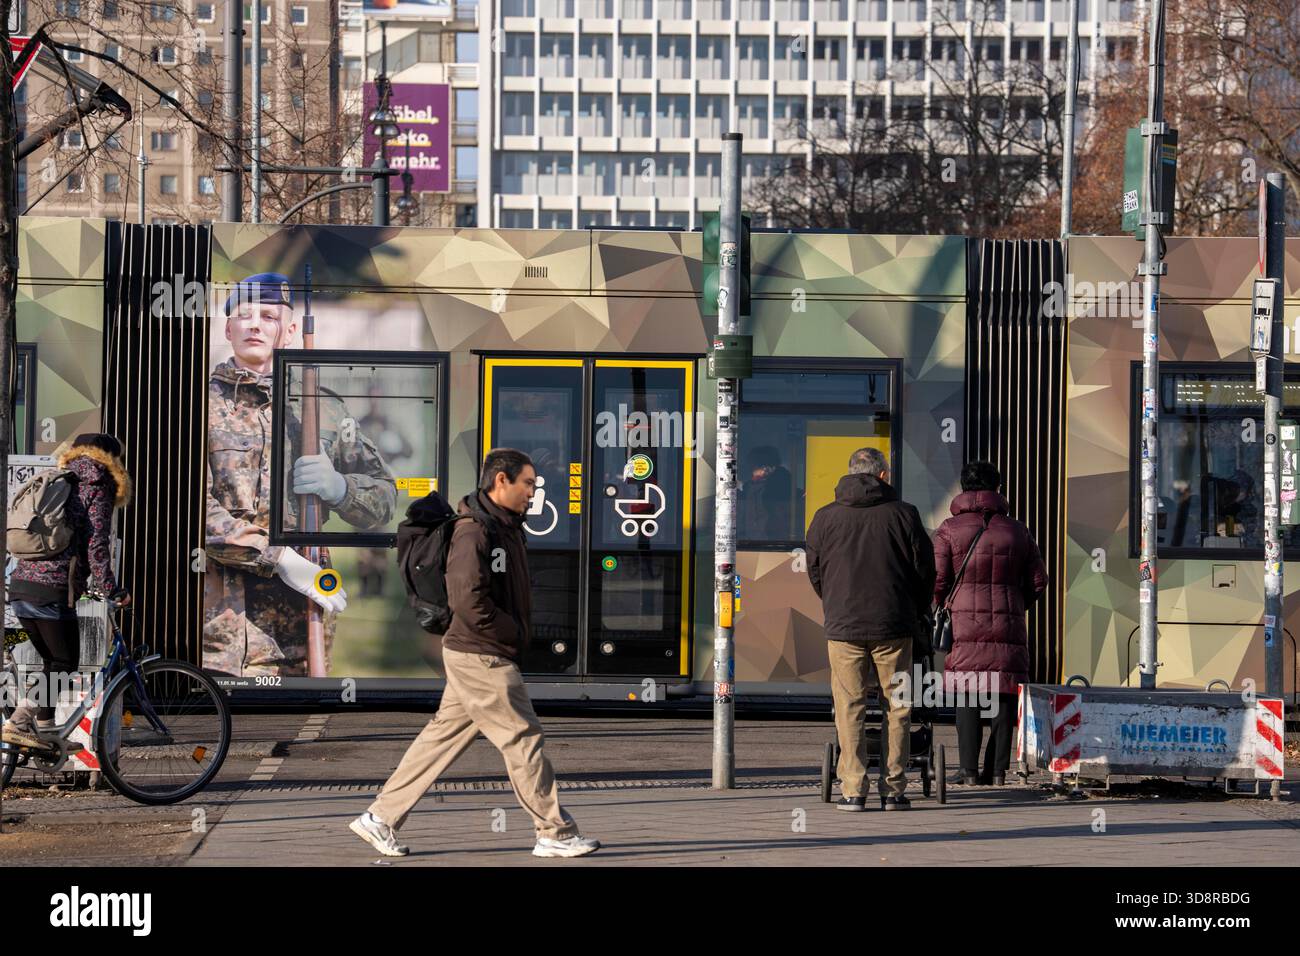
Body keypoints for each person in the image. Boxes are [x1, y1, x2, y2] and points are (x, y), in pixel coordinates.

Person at [350, 448, 600, 858]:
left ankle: (379, 818)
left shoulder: (504, 526)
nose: (532, 493)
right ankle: (554, 832)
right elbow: (468, 601)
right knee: (523, 738)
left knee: (441, 738)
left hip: (474, 651)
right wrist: (512, 631)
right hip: (482, 654)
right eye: (528, 484)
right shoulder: (475, 531)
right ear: (501, 481)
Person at [203, 273, 397, 678]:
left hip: (300, 627)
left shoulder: (324, 411)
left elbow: (383, 499)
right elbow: (184, 504)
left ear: (290, 331)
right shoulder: (198, 404)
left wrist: (341, 488)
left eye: (269, 316)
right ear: (228, 327)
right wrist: (279, 558)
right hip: (216, 632)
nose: (255, 324)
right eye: (244, 315)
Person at [805, 446, 935, 811]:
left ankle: (853, 789)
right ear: (882, 476)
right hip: (894, 625)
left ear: (851, 473)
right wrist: (916, 608)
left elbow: (815, 570)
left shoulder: (825, 517)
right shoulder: (904, 514)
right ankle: (893, 789)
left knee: (849, 706)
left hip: (843, 627)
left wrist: (833, 602)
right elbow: (925, 570)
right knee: (898, 706)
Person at [2, 434, 132, 751]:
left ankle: (46, 733)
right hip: (52, 589)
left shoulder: (60, 478)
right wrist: (113, 590)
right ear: (111, 459)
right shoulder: (96, 485)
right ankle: (19, 722)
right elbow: (96, 546)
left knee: (53, 663)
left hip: (21, 586)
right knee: (64, 663)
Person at [933, 460, 1047, 786]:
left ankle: (968, 772)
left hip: (965, 628)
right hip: (1009, 628)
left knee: (969, 695)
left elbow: (938, 581)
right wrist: (1014, 605)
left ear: (964, 489)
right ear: (997, 489)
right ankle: (996, 772)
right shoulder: (1017, 530)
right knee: (1003, 695)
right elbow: (1039, 581)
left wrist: (945, 606)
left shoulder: (948, 530)